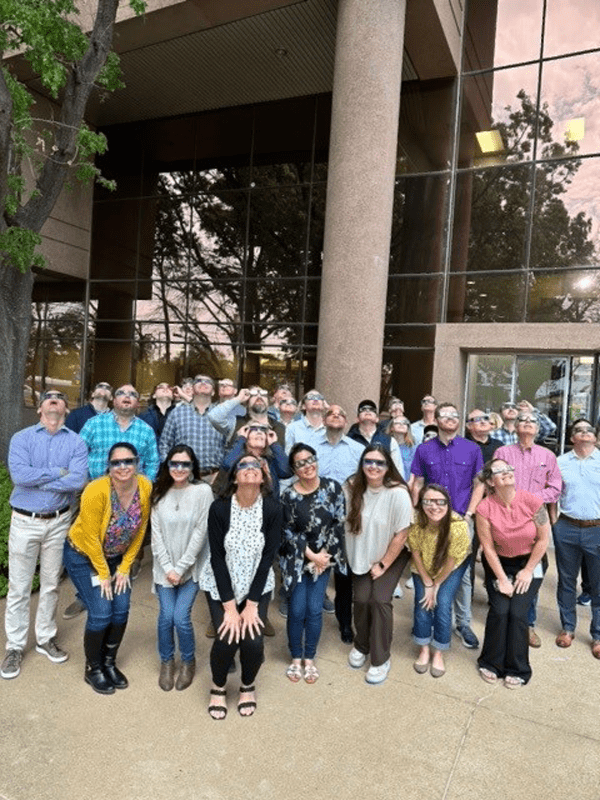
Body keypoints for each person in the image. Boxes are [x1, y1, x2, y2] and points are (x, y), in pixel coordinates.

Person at [1, 389, 88, 681]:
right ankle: (14, 646)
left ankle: (45, 638)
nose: (54, 401)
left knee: (51, 584)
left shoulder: (75, 442)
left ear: (65, 408)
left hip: (58, 522)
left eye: (59, 398)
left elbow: (77, 480)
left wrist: (43, 477)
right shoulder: (22, 438)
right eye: (48, 398)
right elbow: (20, 477)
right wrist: (56, 473)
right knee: (19, 587)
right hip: (25, 521)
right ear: (40, 408)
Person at [63, 443, 152, 694]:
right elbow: (91, 538)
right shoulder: (96, 489)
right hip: (84, 557)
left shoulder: (144, 487)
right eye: (116, 462)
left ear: (136, 463)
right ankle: (93, 668)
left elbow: (141, 529)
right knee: (102, 611)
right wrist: (103, 574)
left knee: (121, 610)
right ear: (109, 466)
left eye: (128, 461)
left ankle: (109, 663)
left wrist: (125, 567)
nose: (123, 467)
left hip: (117, 559)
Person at [199, 454, 282, 719]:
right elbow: (217, 558)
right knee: (226, 639)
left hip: (256, 586)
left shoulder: (272, 509)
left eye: (255, 466)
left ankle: (247, 685)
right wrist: (230, 607)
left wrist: (252, 604)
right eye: (243, 466)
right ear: (235, 477)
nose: (249, 469)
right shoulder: (219, 509)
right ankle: (218, 686)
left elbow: (269, 557)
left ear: (263, 476)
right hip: (222, 585)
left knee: (253, 643)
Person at [411, 402, 484, 649]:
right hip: (429, 518)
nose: (450, 418)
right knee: (428, 566)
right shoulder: (423, 449)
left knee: (461, 576)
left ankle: (462, 623)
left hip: (461, 519)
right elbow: (418, 483)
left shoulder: (472, 449)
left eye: (455, 415)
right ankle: (428, 620)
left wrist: (470, 513)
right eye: (445, 415)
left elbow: (480, 483)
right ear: (437, 419)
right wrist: (416, 510)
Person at [476, 458, 550, 688]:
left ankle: (518, 668)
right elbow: (487, 547)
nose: (507, 472)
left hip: (531, 562)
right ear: (490, 481)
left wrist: (527, 571)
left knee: (518, 613)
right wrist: (501, 579)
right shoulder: (484, 507)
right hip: (499, 564)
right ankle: (491, 662)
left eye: (508, 468)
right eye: (499, 471)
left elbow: (543, 539)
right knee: (499, 610)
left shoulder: (533, 501)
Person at [344, 445, 412, 684]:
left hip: (390, 555)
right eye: (368, 461)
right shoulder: (353, 489)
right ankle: (361, 645)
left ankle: (380, 658)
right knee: (361, 599)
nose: (373, 466)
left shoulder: (398, 493)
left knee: (380, 600)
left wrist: (382, 565)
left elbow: (402, 535)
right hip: (362, 553)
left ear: (388, 467)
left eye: (380, 463)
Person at [280, 444, 346, 683]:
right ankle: (295, 658)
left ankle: (309, 658)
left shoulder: (333, 488)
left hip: (324, 559)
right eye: (300, 463)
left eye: (310, 460)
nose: (307, 466)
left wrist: (324, 555)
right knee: (297, 609)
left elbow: (339, 523)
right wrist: (311, 555)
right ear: (294, 469)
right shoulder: (288, 495)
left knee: (315, 609)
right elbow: (286, 530)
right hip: (297, 559)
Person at [495, 410, 561, 648]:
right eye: (522, 420)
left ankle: (527, 624)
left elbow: (555, 488)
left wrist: (530, 499)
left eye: (532, 421)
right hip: (505, 516)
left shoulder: (547, 455)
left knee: (533, 569)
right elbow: (493, 482)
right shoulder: (503, 453)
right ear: (515, 426)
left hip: (534, 518)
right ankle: (504, 617)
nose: (526, 423)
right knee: (505, 565)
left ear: (537, 428)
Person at [150, 445, 213, 691]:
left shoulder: (202, 492)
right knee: (166, 617)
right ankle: (167, 662)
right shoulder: (159, 493)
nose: (179, 468)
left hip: (191, 568)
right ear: (167, 466)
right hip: (163, 569)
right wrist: (168, 568)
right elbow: (156, 536)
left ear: (192, 467)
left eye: (185, 464)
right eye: (174, 463)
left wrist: (182, 568)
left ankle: (188, 661)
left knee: (181, 618)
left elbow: (201, 532)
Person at [408, 485, 471, 678]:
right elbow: (416, 554)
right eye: (428, 501)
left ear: (447, 503)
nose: (434, 507)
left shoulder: (458, 526)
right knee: (422, 602)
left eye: (440, 502)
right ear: (422, 504)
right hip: (423, 566)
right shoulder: (416, 522)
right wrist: (427, 582)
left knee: (442, 602)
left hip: (450, 567)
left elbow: (451, 561)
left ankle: (439, 652)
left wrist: (436, 585)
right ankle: (424, 648)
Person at [554, 419, 600, 658]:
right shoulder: (560, 462)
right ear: (572, 438)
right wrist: (554, 522)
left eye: (588, 430)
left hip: (597, 528)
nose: (584, 433)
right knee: (567, 581)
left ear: (595, 437)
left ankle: (598, 635)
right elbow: (552, 495)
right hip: (567, 527)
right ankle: (568, 628)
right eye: (578, 430)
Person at [80, 384, 159, 480]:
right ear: (114, 401)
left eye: (133, 394)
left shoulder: (147, 430)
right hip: (95, 489)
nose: (127, 396)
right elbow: (78, 454)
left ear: (137, 403)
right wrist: (84, 482)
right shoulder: (93, 424)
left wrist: (144, 487)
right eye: (121, 393)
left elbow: (152, 462)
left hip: (133, 492)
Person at [159, 375, 226, 477]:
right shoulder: (177, 413)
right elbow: (164, 445)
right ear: (193, 390)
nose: (203, 383)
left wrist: (222, 475)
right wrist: (171, 469)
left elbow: (229, 447)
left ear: (213, 392)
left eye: (208, 381)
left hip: (214, 478)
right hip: (182, 476)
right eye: (199, 381)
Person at [219, 423, 292, 500]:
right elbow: (227, 465)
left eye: (263, 430)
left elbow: (286, 472)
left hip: (269, 509)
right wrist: (241, 439)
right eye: (253, 429)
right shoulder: (238, 459)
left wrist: (274, 444)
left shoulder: (271, 461)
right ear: (246, 436)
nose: (259, 432)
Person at [386, 415, 416, 482]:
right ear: (392, 428)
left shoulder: (413, 448)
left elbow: (415, 470)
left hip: (407, 484)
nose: (401, 424)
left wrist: (410, 483)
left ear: (408, 428)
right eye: (397, 422)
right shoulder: (386, 446)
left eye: (404, 423)